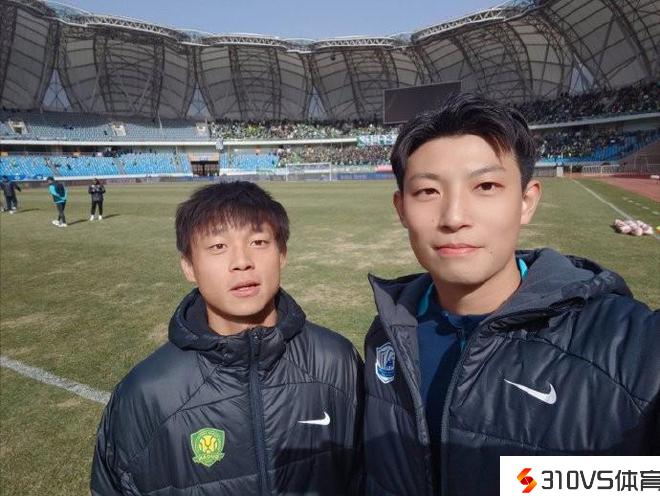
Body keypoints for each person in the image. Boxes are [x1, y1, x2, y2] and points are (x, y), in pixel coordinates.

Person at [362, 93, 659, 496]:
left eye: (485, 186)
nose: (454, 217)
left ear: (526, 201)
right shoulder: (387, 334)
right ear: (401, 208)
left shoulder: (630, 345)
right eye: (428, 191)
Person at [91, 181, 363, 495]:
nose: (242, 261)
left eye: (258, 241)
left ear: (282, 254)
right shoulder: (145, 393)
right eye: (218, 246)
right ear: (189, 266)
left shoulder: (336, 361)